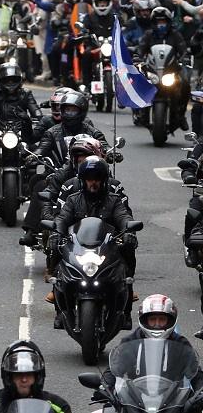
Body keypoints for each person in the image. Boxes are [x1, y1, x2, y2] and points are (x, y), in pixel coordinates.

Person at [51, 157, 137, 327]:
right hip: (79, 247)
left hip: (106, 247)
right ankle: (60, 310)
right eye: (90, 179)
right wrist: (56, 233)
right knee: (57, 258)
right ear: (83, 181)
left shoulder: (114, 200)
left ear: (104, 180)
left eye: (97, 178)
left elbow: (124, 217)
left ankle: (126, 310)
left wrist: (129, 232)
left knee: (127, 256)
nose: (94, 183)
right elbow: (62, 218)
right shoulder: (73, 200)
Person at [98, 295, 203, 394]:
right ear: (145, 320)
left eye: (162, 320)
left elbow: (195, 372)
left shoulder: (180, 343)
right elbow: (114, 368)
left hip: (173, 399)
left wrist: (201, 390)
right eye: (152, 320)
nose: (157, 324)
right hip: (134, 398)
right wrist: (104, 386)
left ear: (170, 321)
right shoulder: (130, 341)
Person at [0, 63, 41, 201]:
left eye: (13, 80)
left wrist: (39, 117)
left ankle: (31, 184)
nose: (10, 83)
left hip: (22, 131)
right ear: (1, 80)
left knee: (34, 152)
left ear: (19, 80)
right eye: (7, 80)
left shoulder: (26, 94)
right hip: (0, 131)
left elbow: (35, 109)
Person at [0, 340, 71, 413]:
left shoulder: (60, 408)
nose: (24, 380)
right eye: (18, 375)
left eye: (29, 374)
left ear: (37, 377)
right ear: (9, 378)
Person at [35, 91, 107, 167]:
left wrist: (112, 154)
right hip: (57, 171)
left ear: (81, 111)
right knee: (37, 178)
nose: (69, 114)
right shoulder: (51, 133)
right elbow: (42, 148)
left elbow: (103, 145)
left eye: (73, 111)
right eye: (67, 110)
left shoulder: (92, 132)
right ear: (62, 110)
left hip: (89, 171)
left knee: (108, 177)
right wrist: (34, 155)